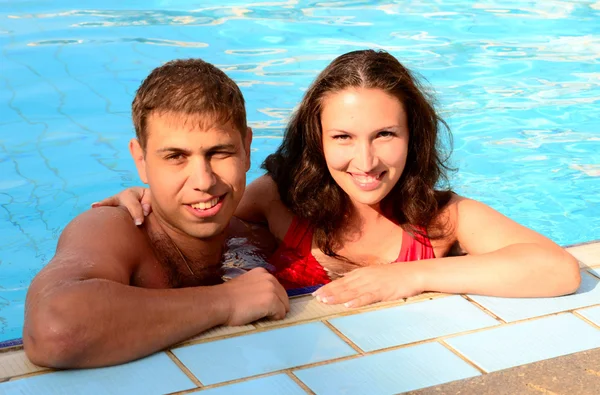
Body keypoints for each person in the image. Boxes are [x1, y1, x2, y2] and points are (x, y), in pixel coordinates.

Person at [99, 50, 581, 310]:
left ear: (414, 136)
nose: (365, 161)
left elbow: (556, 270)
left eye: (385, 134)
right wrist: (144, 197)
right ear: (318, 138)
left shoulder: (441, 220)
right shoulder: (282, 201)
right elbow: (196, 217)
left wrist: (408, 276)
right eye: (344, 136)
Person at [23, 59, 290, 369]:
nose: (203, 181)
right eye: (176, 157)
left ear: (246, 148)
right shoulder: (115, 229)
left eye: (219, 152)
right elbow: (54, 331)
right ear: (141, 161)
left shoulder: (254, 234)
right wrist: (226, 301)